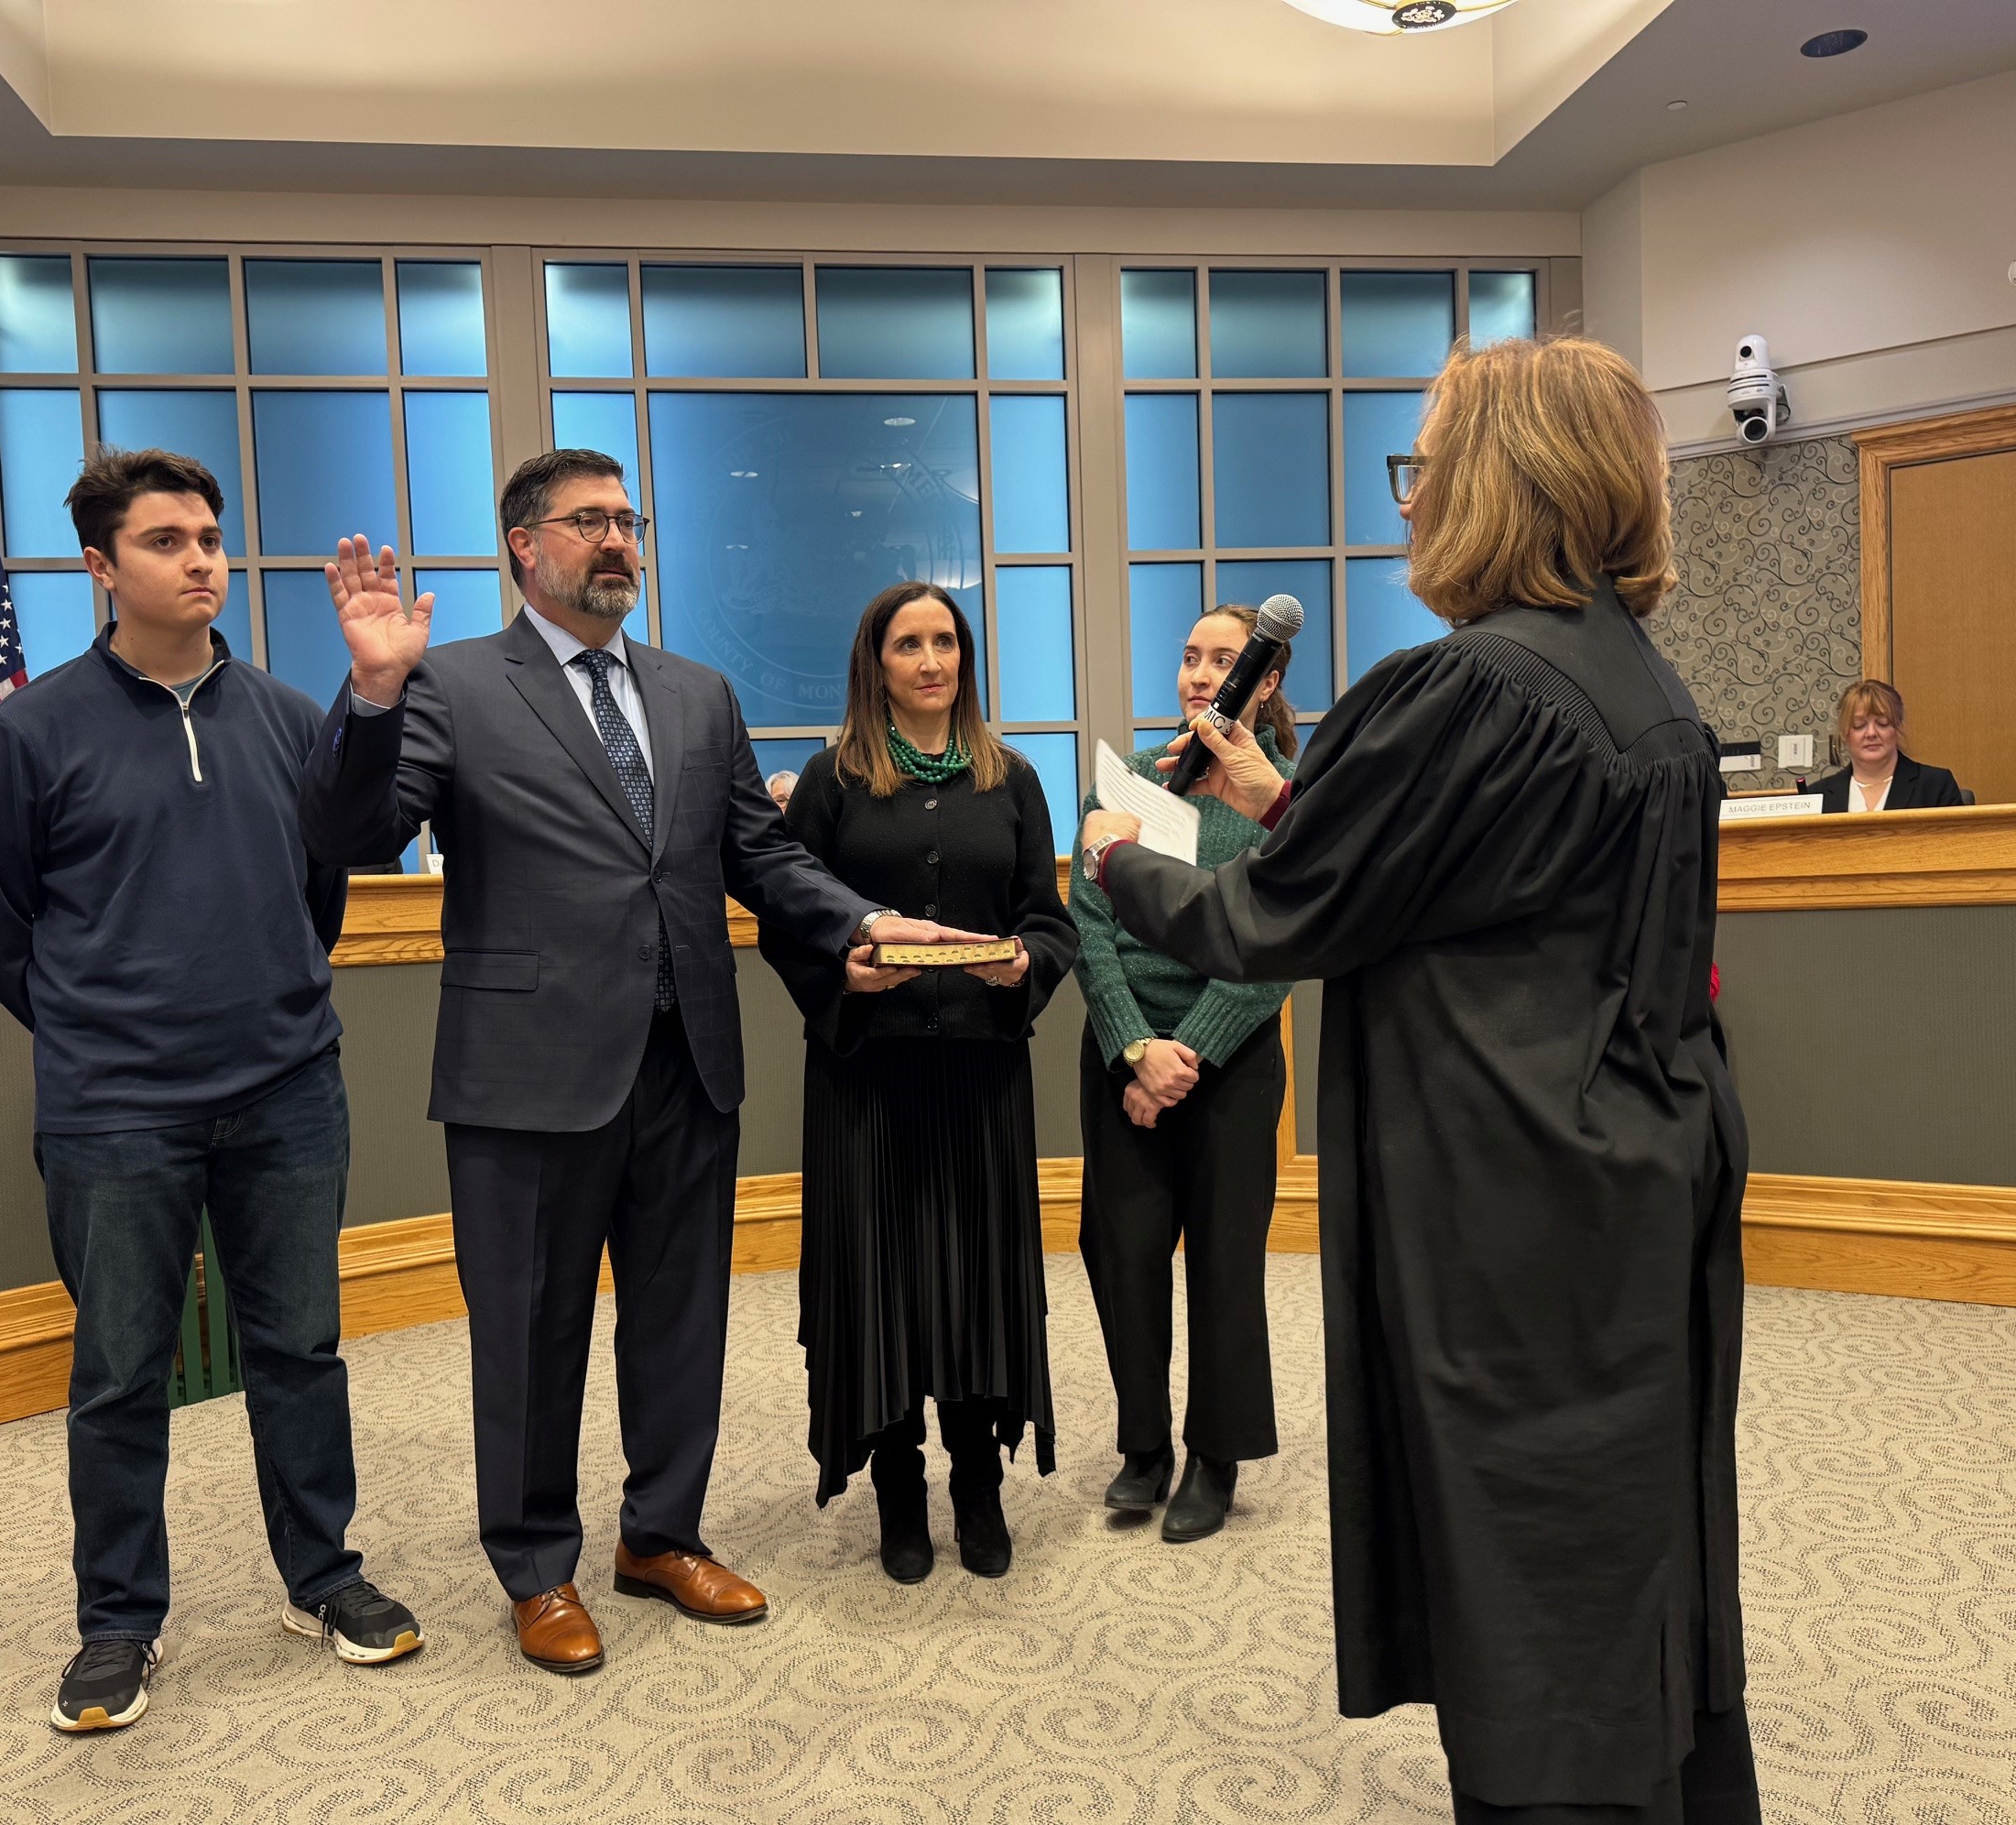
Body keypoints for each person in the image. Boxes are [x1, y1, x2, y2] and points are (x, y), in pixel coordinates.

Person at [1076, 336, 1760, 1825]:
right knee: (1624, 1531)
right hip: (1635, 1146)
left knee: (1533, 1546)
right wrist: (1280, 789)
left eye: (1431, 456)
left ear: (1503, 476)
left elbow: (1265, 919)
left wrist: (1120, 857)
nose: (1417, 490)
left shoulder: (1463, 682)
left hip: (1514, 1171)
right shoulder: (1626, 668)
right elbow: (1450, 877)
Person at [300, 449, 979, 1675]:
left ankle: (660, 1534)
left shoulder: (697, 693)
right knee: (530, 1328)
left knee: (681, 1320)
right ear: (524, 545)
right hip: (528, 1070)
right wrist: (369, 691)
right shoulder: (448, 683)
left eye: (628, 519)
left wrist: (859, 920)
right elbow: (355, 836)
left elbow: (760, 857)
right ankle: (536, 1565)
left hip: (686, 1059)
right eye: (588, 521)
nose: (617, 539)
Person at [0, 448, 422, 1737]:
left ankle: (322, 1576)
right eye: (166, 540)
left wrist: (375, 697)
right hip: (116, 1113)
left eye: (210, 536)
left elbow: (337, 871)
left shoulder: (281, 713)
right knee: (117, 1372)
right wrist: (108, 1039)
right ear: (103, 566)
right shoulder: (32, 731)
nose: (202, 558)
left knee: (300, 1350)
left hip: (284, 1091)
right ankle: (118, 1623)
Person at [757, 583, 1074, 1583]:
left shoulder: (1013, 780)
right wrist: (842, 973)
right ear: (876, 663)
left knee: (976, 1278)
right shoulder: (832, 782)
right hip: (868, 1076)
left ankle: (976, 1482)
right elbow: (788, 921)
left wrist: (1022, 965)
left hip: (981, 1074)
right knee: (882, 1279)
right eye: (909, 643)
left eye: (945, 642)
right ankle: (898, 1483)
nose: (931, 660)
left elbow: (1050, 922)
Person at [1069, 605, 1299, 1544]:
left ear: (1266, 680)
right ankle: (1143, 1448)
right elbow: (1088, 924)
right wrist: (1134, 1047)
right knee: (1120, 1255)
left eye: (1224, 661)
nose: (1201, 675)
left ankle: (1216, 1455)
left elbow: (1279, 946)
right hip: (1123, 1058)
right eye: (1190, 657)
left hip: (1230, 1064)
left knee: (1224, 1264)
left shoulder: (1277, 797)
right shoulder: (1126, 784)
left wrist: (1188, 1052)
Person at [1805, 679, 1965, 812]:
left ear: (1897, 728)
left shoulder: (1935, 785)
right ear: (1845, 734)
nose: (1871, 733)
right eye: (1859, 725)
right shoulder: (1817, 795)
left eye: (1882, 723)